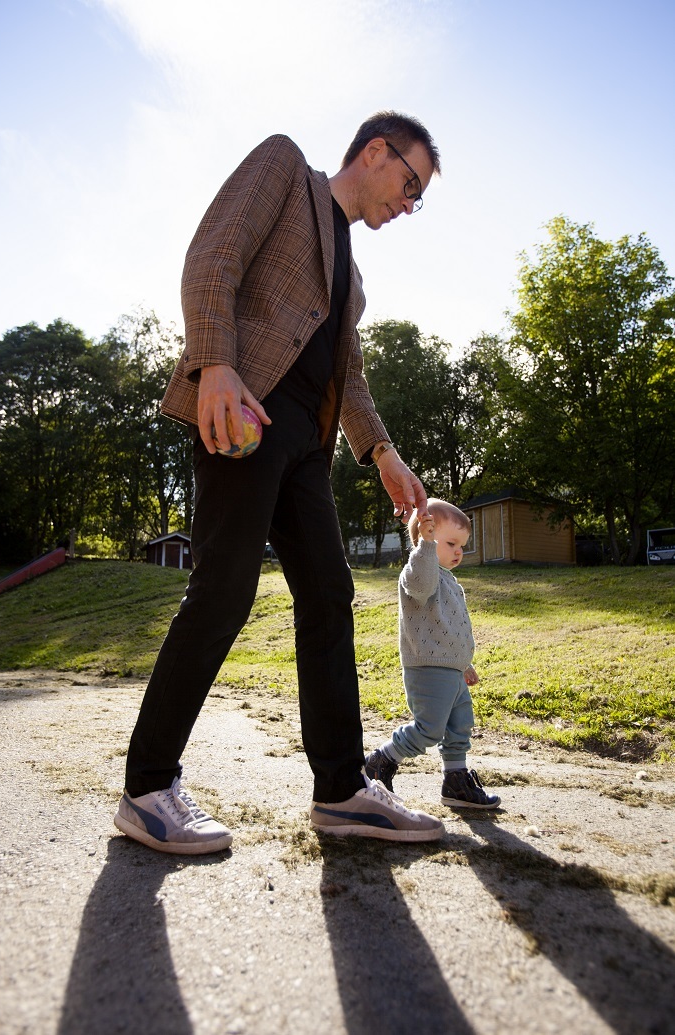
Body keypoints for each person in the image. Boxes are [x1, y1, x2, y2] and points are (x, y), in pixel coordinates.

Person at [114, 111, 447, 853]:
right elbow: (215, 254)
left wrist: (384, 453)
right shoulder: (285, 170)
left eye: (418, 194)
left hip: (305, 448)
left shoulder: (351, 277)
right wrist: (216, 363)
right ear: (375, 151)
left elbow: (347, 375)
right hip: (244, 411)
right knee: (224, 590)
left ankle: (340, 792)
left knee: (329, 595)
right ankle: (147, 786)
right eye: (410, 182)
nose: (409, 202)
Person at [365, 499, 501, 809]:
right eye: (451, 543)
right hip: (428, 669)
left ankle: (455, 781)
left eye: (462, 546)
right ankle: (380, 760)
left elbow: (453, 628)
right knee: (429, 729)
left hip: (452, 671)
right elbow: (422, 585)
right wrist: (425, 545)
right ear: (425, 536)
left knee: (459, 728)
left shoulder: (451, 582)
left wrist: (464, 663)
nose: (459, 552)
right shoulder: (417, 573)